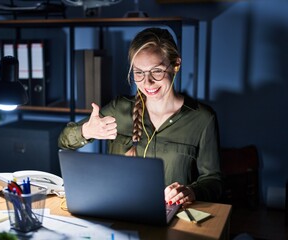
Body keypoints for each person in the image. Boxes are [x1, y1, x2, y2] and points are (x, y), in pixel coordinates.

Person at [58, 27, 222, 205]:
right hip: (117, 210)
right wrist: (86, 131)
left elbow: (214, 181)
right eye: (139, 73)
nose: (147, 82)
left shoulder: (202, 119)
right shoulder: (119, 109)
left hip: (174, 220)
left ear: (176, 65)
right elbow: (63, 141)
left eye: (157, 71)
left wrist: (191, 191)